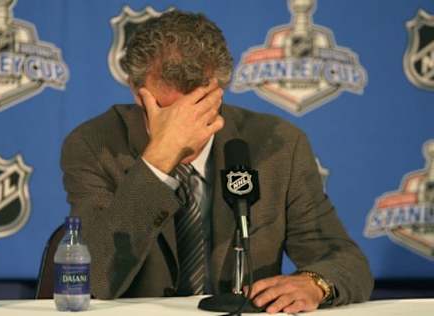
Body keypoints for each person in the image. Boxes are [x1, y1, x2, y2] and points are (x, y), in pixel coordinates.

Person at [61, 10, 373, 314]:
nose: (182, 125)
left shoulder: (279, 147)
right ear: (133, 88)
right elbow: (92, 280)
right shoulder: (95, 145)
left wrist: (315, 283)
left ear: (219, 90)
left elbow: (346, 261)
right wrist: (158, 161)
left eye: (196, 108)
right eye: (165, 112)